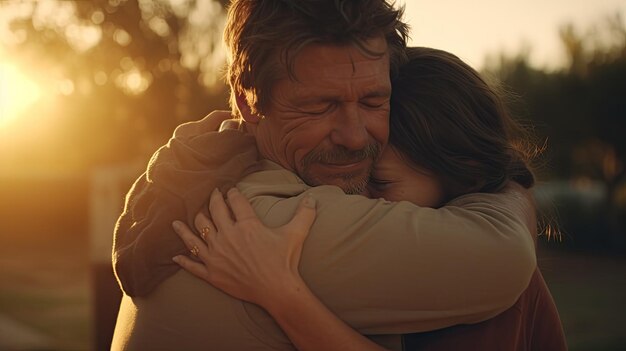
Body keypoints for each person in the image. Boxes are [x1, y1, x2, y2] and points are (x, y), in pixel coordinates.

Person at [111, 1, 537, 350]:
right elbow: (508, 257)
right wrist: (511, 181)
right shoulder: (266, 224)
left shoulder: (212, 162)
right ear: (248, 103)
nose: (354, 137)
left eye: (373, 100)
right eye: (320, 106)